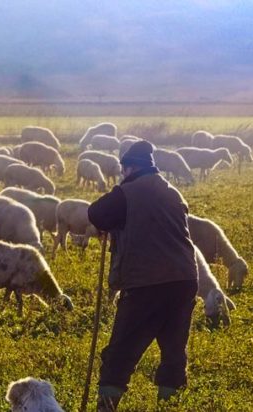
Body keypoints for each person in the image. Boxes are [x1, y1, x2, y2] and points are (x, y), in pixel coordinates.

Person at [87, 140, 198, 411]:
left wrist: (118, 201)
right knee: (173, 349)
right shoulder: (173, 192)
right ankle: (170, 405)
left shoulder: (129, 191)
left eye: (123, 170)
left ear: (130, 168)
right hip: (184, 280)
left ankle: (106, 406)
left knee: (122, 349)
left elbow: (96, 213)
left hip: (148, 281)